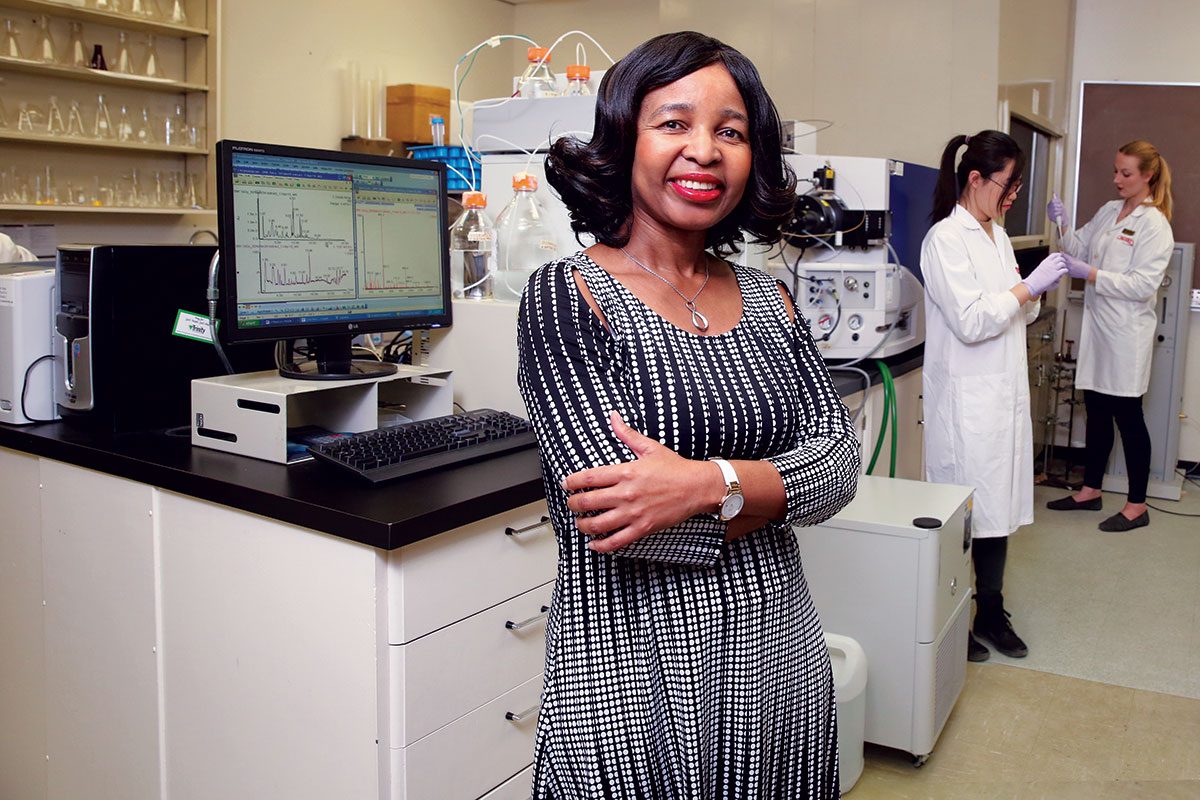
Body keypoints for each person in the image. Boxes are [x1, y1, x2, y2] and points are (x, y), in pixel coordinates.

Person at [517, 31, 860, 799]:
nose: (704, 151)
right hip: (629, 685)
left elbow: (841, 465)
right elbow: (612, 517)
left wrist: (707, 486)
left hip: (780, 672)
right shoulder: (568, 295)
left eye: (730, 132)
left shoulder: (770, 299)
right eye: (674, 123)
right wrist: (770, 490)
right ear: (623, 139)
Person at [920, 131, 1068, 663]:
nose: (1011, 198)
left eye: (1018, 187)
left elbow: (1014, 311)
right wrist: (1026, 289)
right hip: (965, 402)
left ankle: (991, 612)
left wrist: (1033, 289)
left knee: (997, 511)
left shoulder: (997, 236)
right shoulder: (944, 239)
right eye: (1007, 186)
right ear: (975, 179)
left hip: (1001, 397)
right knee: (965, 514)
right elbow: (971, 320)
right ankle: (954, 619)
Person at [1045, 140, 1175, 532]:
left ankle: (1137, 505)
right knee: (1096, 411)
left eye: (1126, 173)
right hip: (1099, 330)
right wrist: (1063, 224)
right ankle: (1091, 491)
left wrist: (1093, 274)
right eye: (1116, 171)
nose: (1117, 179)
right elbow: (1076, 247)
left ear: (1147, 175)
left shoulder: (1155, 226)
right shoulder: (1107, 211)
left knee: (1128, 418)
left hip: (1126, 335)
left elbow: (1141, 284)